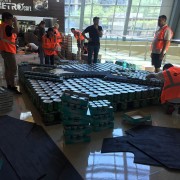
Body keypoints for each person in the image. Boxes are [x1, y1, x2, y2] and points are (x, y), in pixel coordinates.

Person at [0, 12, 22, 94]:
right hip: (8, 50)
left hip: (4, 50)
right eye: (11, 19)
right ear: (6, 19)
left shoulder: (2, 26)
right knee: (13, 69)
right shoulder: (7, 26)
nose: (12, 21)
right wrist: (16, 21)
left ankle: (9, 85)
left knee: (8, 69)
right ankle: (12, 87)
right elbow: (17, 31)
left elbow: (10, 36)